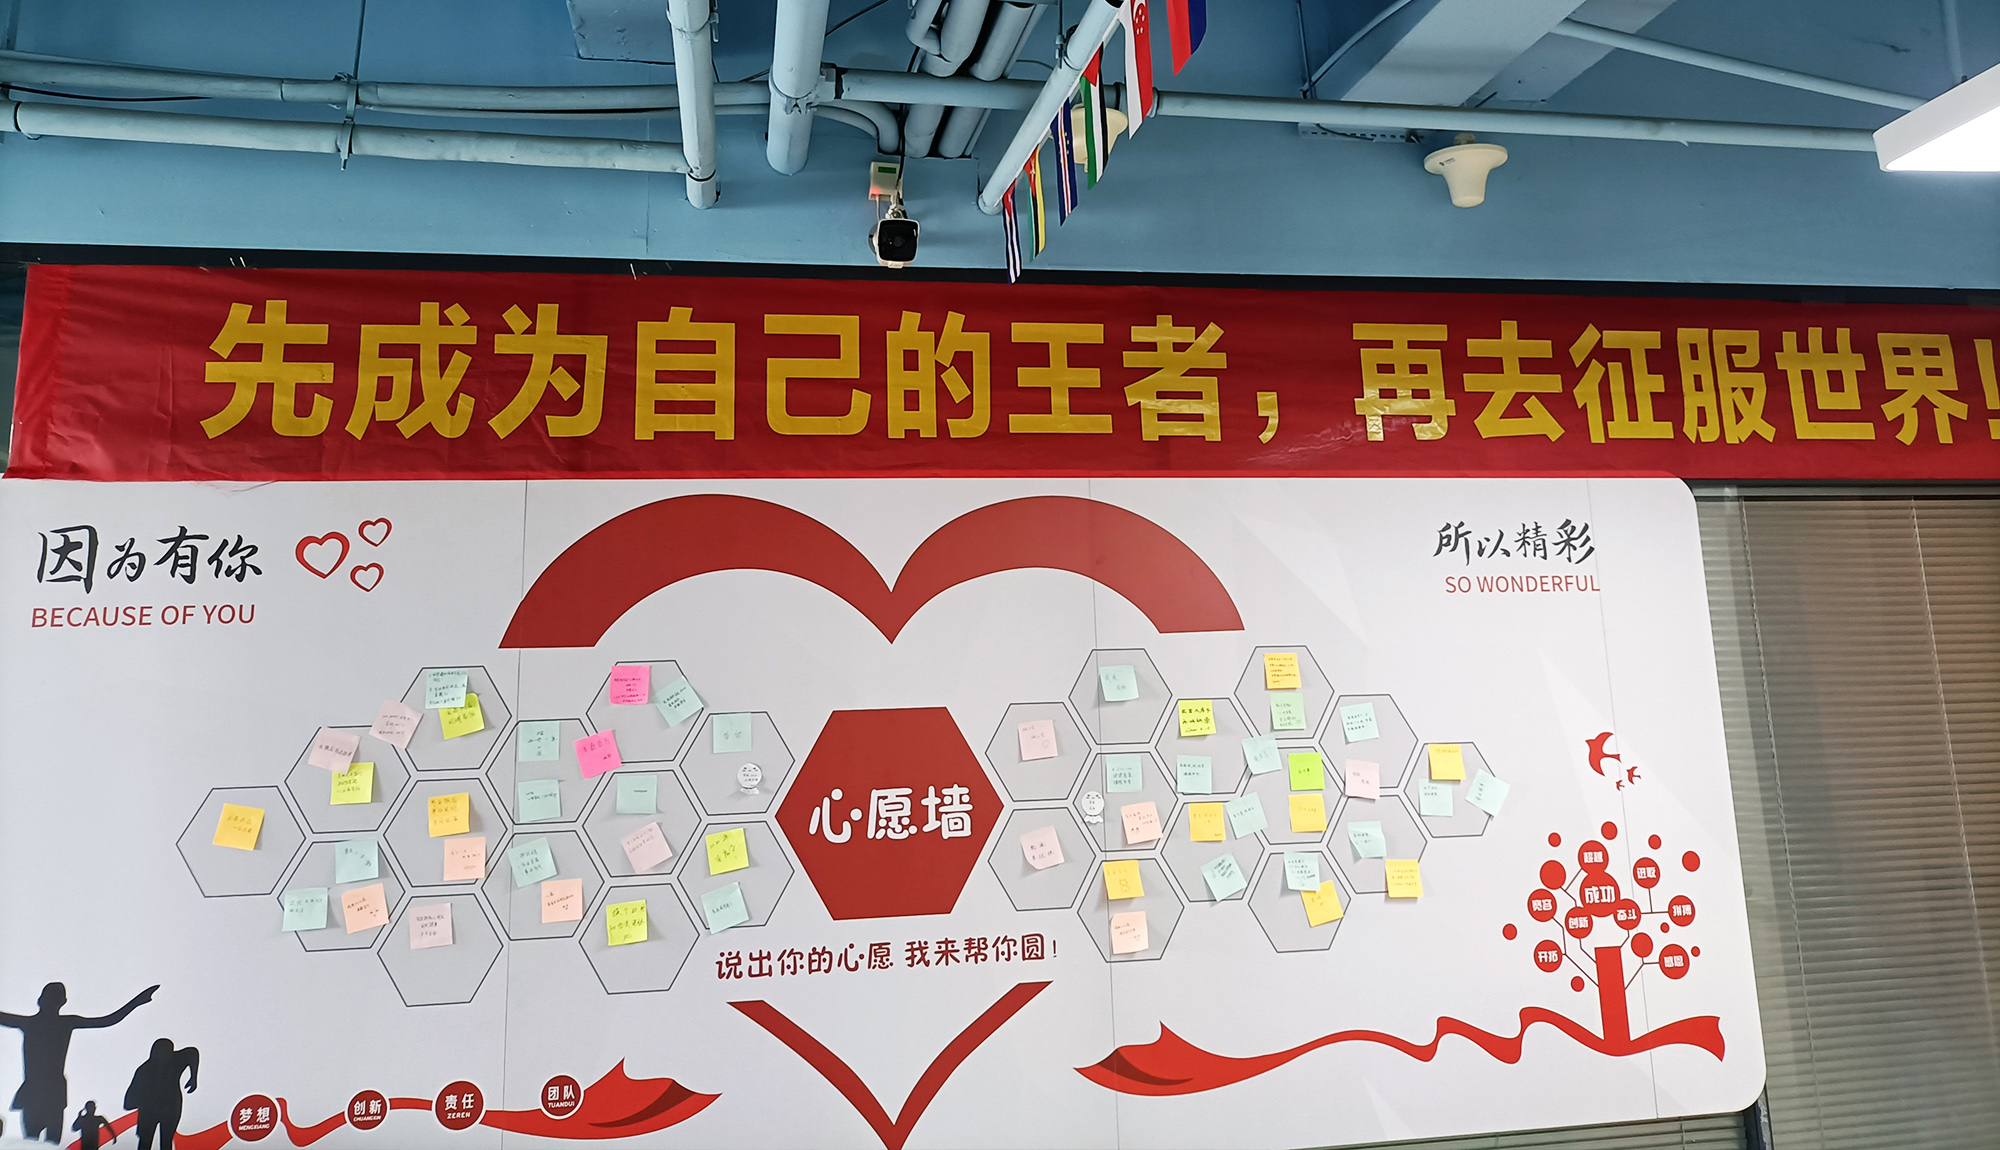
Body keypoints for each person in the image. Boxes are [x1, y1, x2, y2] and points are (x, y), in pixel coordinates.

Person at [0, 982, 156, 1143]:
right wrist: (137, 1002)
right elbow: (108, 1020)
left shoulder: (45, 1023)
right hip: (40, 1091)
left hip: (49, 1091)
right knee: (38, 1140)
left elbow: (108, 1020)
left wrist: (137, 1002)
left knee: (45, 1140)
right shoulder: (43, 1023)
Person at [123, 1040, 196, 1150]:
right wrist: (147, 1100)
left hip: (170, 1108)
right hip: (152, 1111)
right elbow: (128, 1103)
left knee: (165, 1141)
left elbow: (192, 1053)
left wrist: (193, 1077)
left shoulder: (175, 1061)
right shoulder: (145, 1070)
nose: (163, 1055)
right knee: (146, 1141)